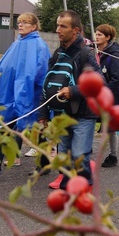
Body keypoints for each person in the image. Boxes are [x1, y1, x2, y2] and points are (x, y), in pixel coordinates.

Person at [38, 10, 101, 189]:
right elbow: (47, 82)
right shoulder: (57, 53)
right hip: (62, 114)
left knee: (80, 156)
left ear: (76, 31)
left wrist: (74, 90)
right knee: (64, 155)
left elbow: (99, 82)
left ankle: (85, 187)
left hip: (83, 114)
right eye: (57, 25)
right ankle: (66, 188)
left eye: (63, 26)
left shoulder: (85, 54)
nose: (58, 29)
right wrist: (43, 113)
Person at [0, 12, 51, 180]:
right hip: (11, 94)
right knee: (6, 128)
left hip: (31, 95)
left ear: (33, 26)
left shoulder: (39, 45)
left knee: (35, 129)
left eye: (25, 22)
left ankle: (44, 163)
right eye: (19, 22)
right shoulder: (17, 43)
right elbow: (4, 66)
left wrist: (27, 91)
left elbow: (40, 72)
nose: (21, 25)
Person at [94, 24, 119, 168]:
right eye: (96, 33)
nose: (96, 36)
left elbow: (116, 79)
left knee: (110, 127)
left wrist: (103, 91)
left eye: (100, 34)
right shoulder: (96, 53)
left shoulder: (114, 56)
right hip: (97, 97)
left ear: (108, 37)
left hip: (110, 96)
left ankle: (113, 155)